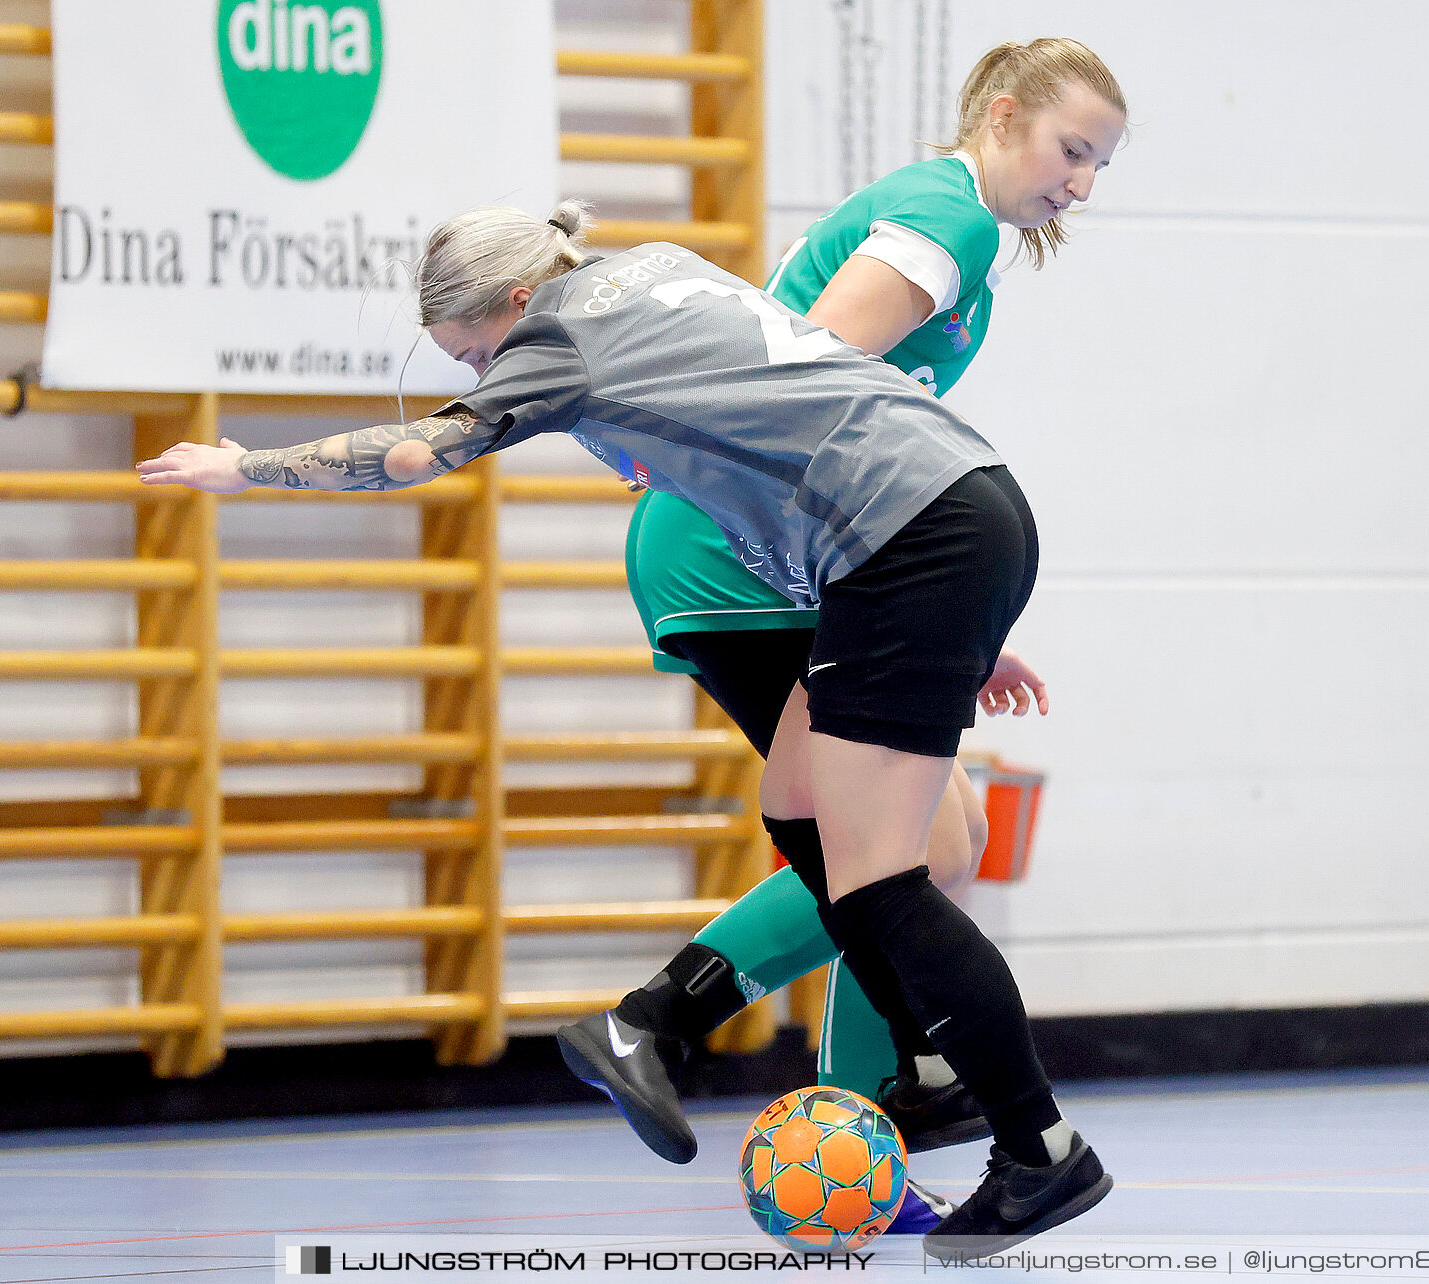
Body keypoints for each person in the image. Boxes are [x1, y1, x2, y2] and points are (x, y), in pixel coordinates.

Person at [137, 209, 1112, 1255]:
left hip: (913, 539)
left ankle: (1040, 1149)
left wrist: (250, 466)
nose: (480, 373)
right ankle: (920, 1073)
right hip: (933, 521)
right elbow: (793, 421)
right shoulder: (652, 268)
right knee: (798, 813)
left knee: (879, 878)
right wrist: (950, 622)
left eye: (474, 354)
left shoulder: (556, 337)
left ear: (516, 303)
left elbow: (419, 452)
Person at [568, 32, 1128, 1190]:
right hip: (734, 554)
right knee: (892, 847)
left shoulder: (955, 231)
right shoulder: (952, 217)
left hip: (792, 546)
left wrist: (939, 614)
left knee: (940, 840)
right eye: (1072, 150)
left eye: (1098, 168)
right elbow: (807, 375)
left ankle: (879, 1085)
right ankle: (681, 1029)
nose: (1078, 185)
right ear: (1004, 114)